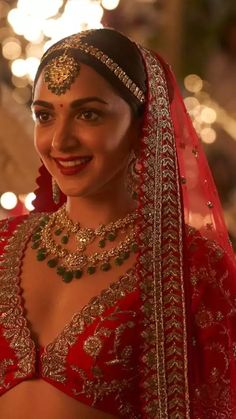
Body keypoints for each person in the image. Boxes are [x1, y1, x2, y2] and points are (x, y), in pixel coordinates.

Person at [0, 28, 235, 419]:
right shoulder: (4, 245)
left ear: (142, 124)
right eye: (44, 115)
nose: (60, 141)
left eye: (88, 114)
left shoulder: (193, 269)